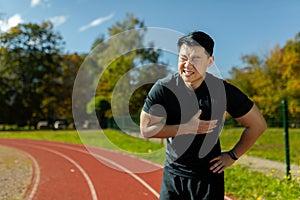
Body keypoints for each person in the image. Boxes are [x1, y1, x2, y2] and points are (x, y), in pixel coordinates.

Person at [140, 31, 267, 200]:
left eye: (196, 59)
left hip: (208, 177)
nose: (188, 64)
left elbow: (257, 125)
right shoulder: (163, 88)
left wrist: (232, 156)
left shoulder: (221, 91)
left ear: (210, 61)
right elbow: (146, 129)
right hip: (174, 175)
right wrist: (185, 128)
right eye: (183, 58)